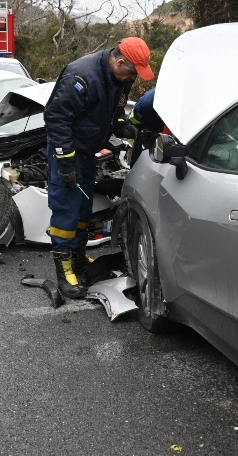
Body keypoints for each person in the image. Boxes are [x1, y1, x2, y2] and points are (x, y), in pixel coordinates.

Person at [44, 37, 153, 299]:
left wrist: (119, 125)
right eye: (131, 72)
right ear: (119, 62)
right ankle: (65, 269)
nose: (132, 78)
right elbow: (56, 117)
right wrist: (65, 160)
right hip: (67, 150)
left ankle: (79, 260)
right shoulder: (81, 76)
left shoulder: (121, 77)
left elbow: (115, 106)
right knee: (66, 210)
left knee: (82, 209)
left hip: (88, 151)